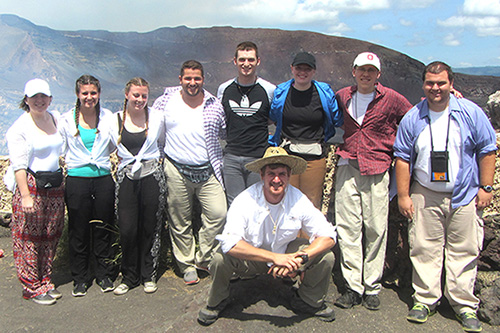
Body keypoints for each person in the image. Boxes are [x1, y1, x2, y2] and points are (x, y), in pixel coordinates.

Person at [394, 61, 496, 332]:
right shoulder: (413, 117)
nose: (435, 88)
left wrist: (486, 188)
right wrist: (403, 195)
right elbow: (403, 158)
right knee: (423, 247)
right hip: (425, 193)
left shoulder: (470, 113)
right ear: (423, 85)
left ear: (452, 84)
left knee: (465, 249)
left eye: (441, 83)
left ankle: (463, 304)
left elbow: (487, 150)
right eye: (430, 83)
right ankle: (425, 299)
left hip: (464, 193)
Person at [197, 147, 337, 325]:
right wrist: (275, 258)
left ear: (289, 176)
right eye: (271, 173)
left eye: (282, 174)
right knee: (219, 258)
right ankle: (217, 301)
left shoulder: (298, 199)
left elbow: (328, 235)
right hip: (252, 259)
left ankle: (309, 301)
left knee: (325, 256)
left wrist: (300, 258)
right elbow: (230, 243)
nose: (277, 179)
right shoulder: (245, 200)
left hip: (286, 253)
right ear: (262, 175)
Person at [334, 52, 412, 310]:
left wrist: (452, 99)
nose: (365, 74)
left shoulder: (392, 99)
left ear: (378, 74)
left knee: (377, 228)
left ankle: (372, 287)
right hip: (348, 165)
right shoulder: (343, 95)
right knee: (348, 228)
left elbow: (413, 118)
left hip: (378, 169)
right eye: (361, 69)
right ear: (353, 71)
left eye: (371, 70)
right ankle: (352, 286)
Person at [152, 60, 227, 285]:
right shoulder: (165, 102)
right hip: (176, 168)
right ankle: (186, 265)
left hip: (208, 168)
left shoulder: (214, 104)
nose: (192, 83)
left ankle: (203, 258)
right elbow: (154, 131)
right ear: (180, 79)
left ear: (203, 79)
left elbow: (223, 132)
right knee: (179, 220)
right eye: (188, 78)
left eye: (197, 79)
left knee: (218, 214)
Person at [6, 79, 65, 305]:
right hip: (31, 186)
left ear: (50, 99)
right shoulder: (20, 128)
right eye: (34, 97)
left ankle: (45, 280)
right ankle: (31, 286)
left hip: (54, 185)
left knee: (50, 234)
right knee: (29, 237)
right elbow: (18, 165)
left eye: (43, 97)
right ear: (26, 100)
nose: (39, 101)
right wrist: (26, 196)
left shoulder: (54, 119)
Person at [59, 75, 117, 297]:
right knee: (78, 229)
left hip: (102, 178)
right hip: (77, 179)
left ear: (99, 94)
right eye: (85, 93)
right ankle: (80, 278)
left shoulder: (108, 118)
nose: (89, 97)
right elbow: (62, 147)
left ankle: (103, 274)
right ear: (78, 95)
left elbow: (113, 143)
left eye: (93, 93)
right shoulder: (66, 120)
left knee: (103, 226)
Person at [110, 78, 167, 295]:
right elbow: (107, 146)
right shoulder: (114, 120)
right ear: (127, 95)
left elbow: (161, 141)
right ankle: (129, 276)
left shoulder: (156, 118)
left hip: (152, 175)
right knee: (127, 228)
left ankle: (148, 275)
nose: (140, 100)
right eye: (136, 95)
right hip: (127, 178)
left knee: (150, 226)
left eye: (144, 95)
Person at [269, 52, 342, 212]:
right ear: (292, 69)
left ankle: (307, 238)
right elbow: (274, 116)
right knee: (286, 202)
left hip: (315, 158)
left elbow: (336, 118)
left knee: (311, 205)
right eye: (298, 68)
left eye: (307, 69)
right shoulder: (282, 92)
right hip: (288, 157)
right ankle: (288, 238)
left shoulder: (323, 93)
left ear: (314, 71)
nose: (302, 72)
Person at [217, 41, 276, 205]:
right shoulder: (224, 89)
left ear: (258, 61)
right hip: (232, 157)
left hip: (257, 157)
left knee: (257, 203)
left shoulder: (269, 89)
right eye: (242, 59)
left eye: (250, 60)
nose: (246, 64)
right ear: (235, 61)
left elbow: (272, 117)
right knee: (234, 204)